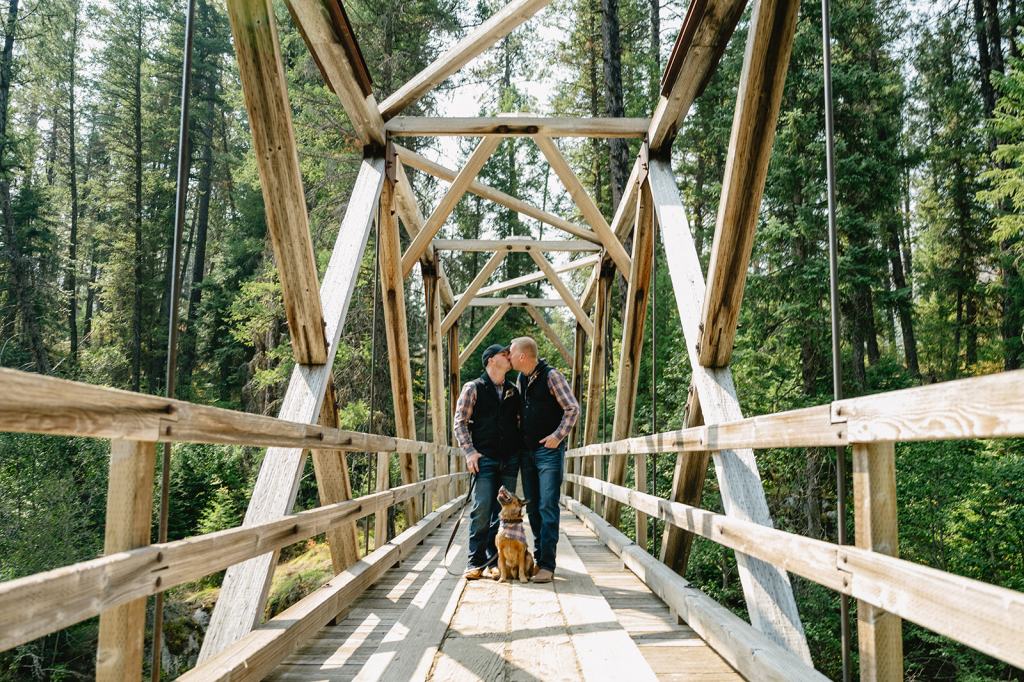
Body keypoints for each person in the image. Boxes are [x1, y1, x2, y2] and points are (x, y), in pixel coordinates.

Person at [508, 336, 580, 583]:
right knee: (535, 508)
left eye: (511, 351)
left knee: (548, 506)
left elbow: (572, 408)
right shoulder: (521, 378)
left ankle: (548, 564)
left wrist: (557, 437)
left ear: (522, 356)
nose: (508, 354)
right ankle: (539, 559)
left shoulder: (552, 376)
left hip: (548, 453)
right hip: (527, 453)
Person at [452, 344, 523, 579]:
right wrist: (469, 452)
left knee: (501, 513)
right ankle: (475, 561)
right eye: (505, 354)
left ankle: (495, 561)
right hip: (485, 458)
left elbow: (520, 422)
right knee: (482, 508)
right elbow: (460, 422)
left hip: (510, 458)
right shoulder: (473, 388)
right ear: (492, 360)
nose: (510, 357)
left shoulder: (514, 389)